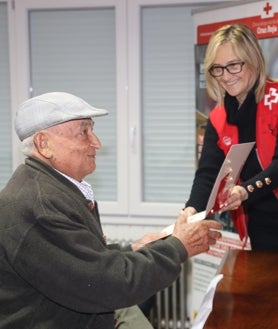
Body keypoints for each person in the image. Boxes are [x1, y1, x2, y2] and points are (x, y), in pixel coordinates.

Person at [0, 92, 222, 329]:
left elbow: (75, 260)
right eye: (84, 132)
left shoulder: (50, 188)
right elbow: (105, 285)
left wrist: (132, 250)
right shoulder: (39, 203)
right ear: (44, 144)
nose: (97, 143)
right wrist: (179, 246)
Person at [183, 23, 278, 251]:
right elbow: (208, 173)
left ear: (253, 60)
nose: (225, 76)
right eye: (218, 68)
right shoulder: (218, 117)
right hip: (260, 225)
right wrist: (190, 211)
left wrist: (246, 190)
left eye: (234, 65)